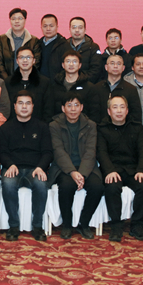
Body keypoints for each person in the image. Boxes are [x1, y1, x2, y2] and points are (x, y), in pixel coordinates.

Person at [48, 91, 104, 240]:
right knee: (66, 186)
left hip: (87, 167)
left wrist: (82, 174)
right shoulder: (54, 125)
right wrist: (73, 172)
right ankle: (67, 224)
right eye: (69, 105)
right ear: (63, 108)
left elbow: (90, 152)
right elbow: (58, 152)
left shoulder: (91, 125)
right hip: (64, 168)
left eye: (76, 105)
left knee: (97, 187)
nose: (73, 109)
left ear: (81, 107)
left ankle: (84, 223)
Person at [0, 91, 53, 241]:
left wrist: (41, 167)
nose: (24, 107)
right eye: (20, 103)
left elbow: (48, 152)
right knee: (8, 183)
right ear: (14, 106)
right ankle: (13, 226)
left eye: (28, 103)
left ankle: (37, 226)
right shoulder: (5, 128)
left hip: (35, 169)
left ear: (33, 106)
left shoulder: (42, 127)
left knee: (41, 184)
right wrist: (9, 164)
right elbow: (2, 152)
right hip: (13, 168)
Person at [96, 95, 143, 242]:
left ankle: (137, 224)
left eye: (122, 107)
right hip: (113, 169)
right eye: (115, 107)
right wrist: (109, 171)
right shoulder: (102, 128)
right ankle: (116, 225)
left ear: (127, 110)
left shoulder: (137, 127)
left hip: (133, 169)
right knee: (112, 187)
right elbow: (101, 153)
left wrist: (142, 170)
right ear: (109, 111)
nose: (119, 111)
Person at [86, 54, 142, 124]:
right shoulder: (96, 88)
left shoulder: (131, 89)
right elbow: (93, 114)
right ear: (106, 67)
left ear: (123, 68)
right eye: (112, 63)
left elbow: (136, 115)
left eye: (118, 64)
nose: (115, 66)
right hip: (101, 129)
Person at [5, 45, 54, 122]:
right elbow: (5, 107)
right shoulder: (8, 82)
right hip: (13, 125)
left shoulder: (45, 82)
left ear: (34, 60)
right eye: (21, 57)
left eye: (28, 57)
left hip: (38, 126)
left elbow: (48, 109)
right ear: (17, 61)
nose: (25, 60)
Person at [0, 7, 42, 80]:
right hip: (7, 81)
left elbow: (36, 63)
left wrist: (25, 79)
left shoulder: (34, 41)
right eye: (13, 19)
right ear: (10, 21)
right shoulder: (1, 40)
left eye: (20, 18)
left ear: (25, 20)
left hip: (28, 80)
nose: (16, 21)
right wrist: (8, 81)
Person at [51, 50, 93, 116]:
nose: (71, 64)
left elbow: (92, 111)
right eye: (68, 61)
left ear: (80, 65)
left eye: (74, 61)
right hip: (58, 121)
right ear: (63, 65)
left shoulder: (89, 87)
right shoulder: (55, 86)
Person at [67, 17, 103, 83]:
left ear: (85, 30)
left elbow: (96, 70)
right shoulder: (64, 46)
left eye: (80, 27)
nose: (77, 30)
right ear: (69, 30)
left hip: (86, 84)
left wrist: (80, 81)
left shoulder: (93, 47)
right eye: (74, 27)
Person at [38, 13, 70, 81]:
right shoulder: (37, 44)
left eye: (51, 26)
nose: (48, 29)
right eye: (45, 26)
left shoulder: (64, 45)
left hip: (56, 84)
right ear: (41, 28)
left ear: (57, 27)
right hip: (39, 83)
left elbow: (67, 68)